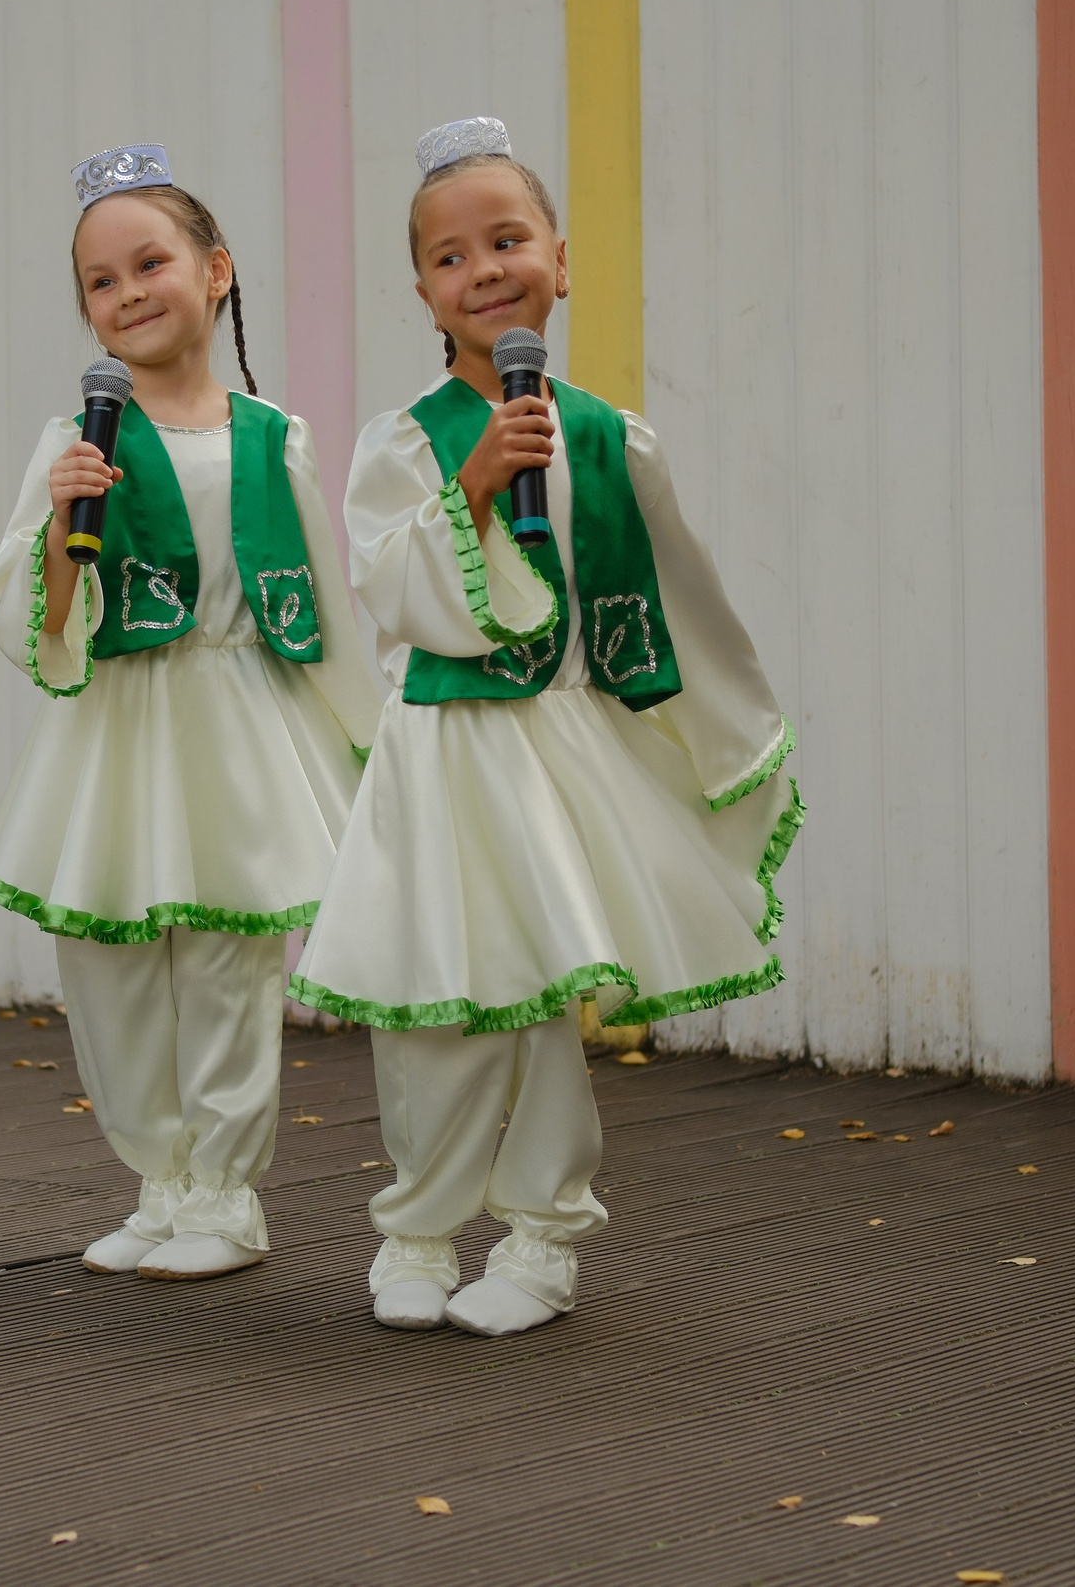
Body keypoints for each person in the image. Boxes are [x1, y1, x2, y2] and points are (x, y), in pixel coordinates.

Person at [289, 118, 803, 1337]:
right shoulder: (402, 444)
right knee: (440, 1001)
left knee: (539, 1004)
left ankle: (541, 1241)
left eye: (508, 240)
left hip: (555, 754)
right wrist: (471, 487)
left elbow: (680, 603)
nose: (487, 270)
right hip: (444, 756)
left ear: (559, 260)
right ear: (423, 292)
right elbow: (387, 586)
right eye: (454, 256)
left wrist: (718, 744)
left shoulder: (614, 440)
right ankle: (416, 1230)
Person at [0, 145, 378, 1281]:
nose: (129, 292)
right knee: (107, 961)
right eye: (101, 282)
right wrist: (61, 527)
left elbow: (321, 602)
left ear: (215, 271)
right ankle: (159, 1177)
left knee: (228, 961)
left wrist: (365, 735)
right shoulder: (74, 442)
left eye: (149, 261)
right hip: (118, 727)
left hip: (238, 717)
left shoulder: (271, 435)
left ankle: (225, 1196)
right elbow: (34, 615)